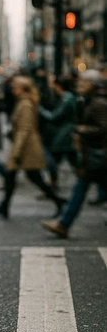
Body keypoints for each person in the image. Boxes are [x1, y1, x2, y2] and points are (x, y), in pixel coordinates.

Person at [0, 76, 66, 219]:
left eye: (15, 87)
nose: (13, 89)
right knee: (14, 176)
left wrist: (16, 151)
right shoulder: (23, 102)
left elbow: (24, 129)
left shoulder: (26, 104)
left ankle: (58, 201)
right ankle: (4, 206)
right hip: (24, 146)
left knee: (33, 178)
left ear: (22, 89)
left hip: (26, 148)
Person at [41, 71, 107, 238]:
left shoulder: (98, 103)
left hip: (97, 155)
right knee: (80, 188)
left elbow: (104, 128)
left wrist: (79, 130)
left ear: (92, 84)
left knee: (80, 188)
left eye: (83, 82)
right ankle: (63, 224)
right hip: (92, 155)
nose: (79, 85)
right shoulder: (88, 101)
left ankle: (64, 224)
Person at [39, 76, 78, 189]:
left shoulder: (67, 98)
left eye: (54, 85)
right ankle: (53, 183)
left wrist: (40, 110)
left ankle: (53, 184)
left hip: (64, 134)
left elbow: (55, 116)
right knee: (70, 161)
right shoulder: (64, 97)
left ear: (59, 86)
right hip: (63, 134)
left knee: (56, 160)